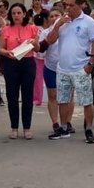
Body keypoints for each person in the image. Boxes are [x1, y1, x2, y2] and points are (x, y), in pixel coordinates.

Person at [43, 0, 94, 143]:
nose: (67, 8)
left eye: (71, 5)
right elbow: (49, 40)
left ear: (80, 5)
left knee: (86, 101)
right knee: (62, 100)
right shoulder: (61, 22)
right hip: (62, 68)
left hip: (80, 68)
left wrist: (90, 64)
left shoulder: (88, 22)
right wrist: (58, 25)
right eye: (66, 5)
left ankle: (88, 129)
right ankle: (63, 128)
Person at [0, 3, 40, 139]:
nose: (16, 15)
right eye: (14, 13)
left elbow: (37, 48)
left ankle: (27, 127)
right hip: (11, 62)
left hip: (27, 63)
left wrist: (34, 43)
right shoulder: (5, 29)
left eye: (19, 13)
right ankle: (14, 127)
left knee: (27, 95)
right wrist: (7, 52)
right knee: (12, 95)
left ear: (24, 14)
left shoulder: (32, 28)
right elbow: (1, 49)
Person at [38, 7, 63, 135]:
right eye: (51, 16)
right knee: (52, 96)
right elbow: (40, 51)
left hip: (65, 68)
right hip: (50, 67)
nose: (54, 18)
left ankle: (67, 123)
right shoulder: (46, 32)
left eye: (57, 15)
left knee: (66, 97)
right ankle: (55, 123)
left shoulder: (67, 31)